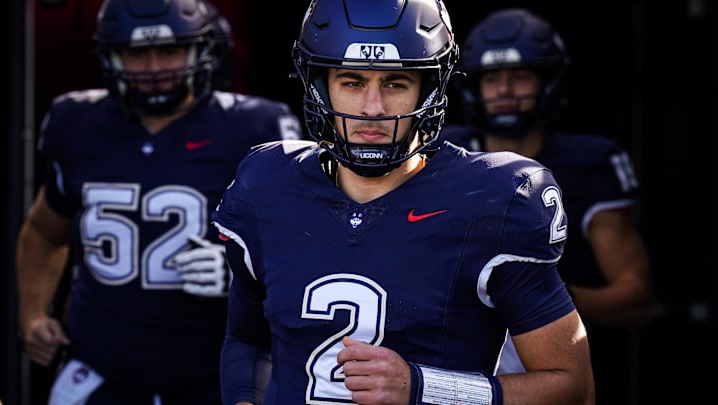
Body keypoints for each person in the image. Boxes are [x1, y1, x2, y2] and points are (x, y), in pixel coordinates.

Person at [211, 0, 595, 404]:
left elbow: (572, 386)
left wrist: (425, 388)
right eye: (352, 82)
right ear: (320, 85)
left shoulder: (494, 198)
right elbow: (247, 341)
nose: (373, 109)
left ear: (428, 89)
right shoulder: (267, 184)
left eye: (395, 83)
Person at [16, 0, 302, 403]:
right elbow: (45, 232)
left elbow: (306, 247)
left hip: (213, 372)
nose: (153, 68)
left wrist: (241, 275)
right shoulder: (77, 122)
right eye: (136, 54)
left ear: (202, 50)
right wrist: (32, 315)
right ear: (110, 55)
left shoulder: (254, 127)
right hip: (100, 367)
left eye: (168, 50)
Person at [442, 8, 655, 404]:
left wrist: (540, 301)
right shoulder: (443, 155)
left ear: (547, 81)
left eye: (519, 76)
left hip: (552, 361)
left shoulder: (590, 163)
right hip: (458, 365)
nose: (504, 90)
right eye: (491, 78)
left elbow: (636, 297)